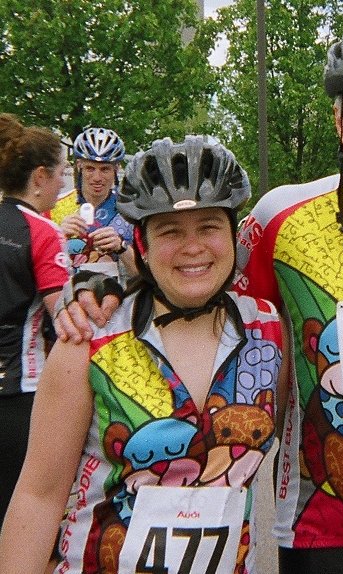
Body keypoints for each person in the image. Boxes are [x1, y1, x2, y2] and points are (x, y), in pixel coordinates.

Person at [51, 18, 343, 574]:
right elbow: (196, 274)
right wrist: (102, 278)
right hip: (316, 527)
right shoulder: (281, 218)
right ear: (338, 123)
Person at [0, 135, 288, 573]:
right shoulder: (89, 340)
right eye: (170, 231)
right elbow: (38, 497)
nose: (193, 247)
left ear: (234, 235)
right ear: (144, 245)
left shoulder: (268, 332)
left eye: (209, 226)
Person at [0, 113, 70, 526]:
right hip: (20, 392)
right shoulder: (43, 231)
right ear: (40, 176)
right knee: (25, 520)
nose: (64, 185)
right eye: (61, 174)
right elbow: (64, 318)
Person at [49, 127, 136, 279]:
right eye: (90, 168)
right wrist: (57, 236)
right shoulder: (54, 206)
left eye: (105, 169)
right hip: (66, 297)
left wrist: (121, 247)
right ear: (79, 166)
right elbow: (37, 265)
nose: (97, 177)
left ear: (116, 169)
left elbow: (143, 275)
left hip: (119, 297)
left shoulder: (132, 210)